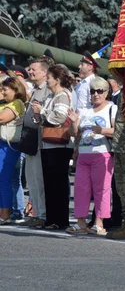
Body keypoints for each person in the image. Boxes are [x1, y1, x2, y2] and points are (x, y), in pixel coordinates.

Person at [66, 77, 116, 235]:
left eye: (100, 91)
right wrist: (74, 122)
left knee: (102, 189)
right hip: (83, 154)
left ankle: (99, 223)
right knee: (81, 189)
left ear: (107, 92)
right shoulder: (84, 110)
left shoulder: (111, 108)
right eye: (93, 91)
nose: (96, 94)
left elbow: (117, 131)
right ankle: (81, 222)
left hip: (102, 154)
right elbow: (74, 133)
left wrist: (103, 131)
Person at [30, 65, 74, 230]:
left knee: (58, 183)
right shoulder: (51, 97)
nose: (47, 80)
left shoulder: (62, 96)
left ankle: (60, 219)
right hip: (47, 143)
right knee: (49, 182)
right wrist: (37, 114)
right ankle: (51, 218)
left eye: (49, 77)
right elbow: (45, 119)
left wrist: (41, 111)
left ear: (57, 79)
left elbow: (59, 118)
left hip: (60, 143)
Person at [19, 57, 53, 228]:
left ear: (44, 72)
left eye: (34, 69)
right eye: (30, 69)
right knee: (32, 180)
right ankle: (37, 213)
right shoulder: (35, 90)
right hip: (30, 140)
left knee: (39, 180)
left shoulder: (48, 90)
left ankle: (43, 214)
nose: (30, 72)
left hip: (41, 140)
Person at [0, 77, 26, 224]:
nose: (2, 92)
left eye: (5, 89)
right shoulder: (7, 103)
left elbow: (2, 118)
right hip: (2, 144)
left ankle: (5, 212)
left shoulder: (17, 103)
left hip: (9, 145)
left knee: (4, 179)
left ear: (15, 90)